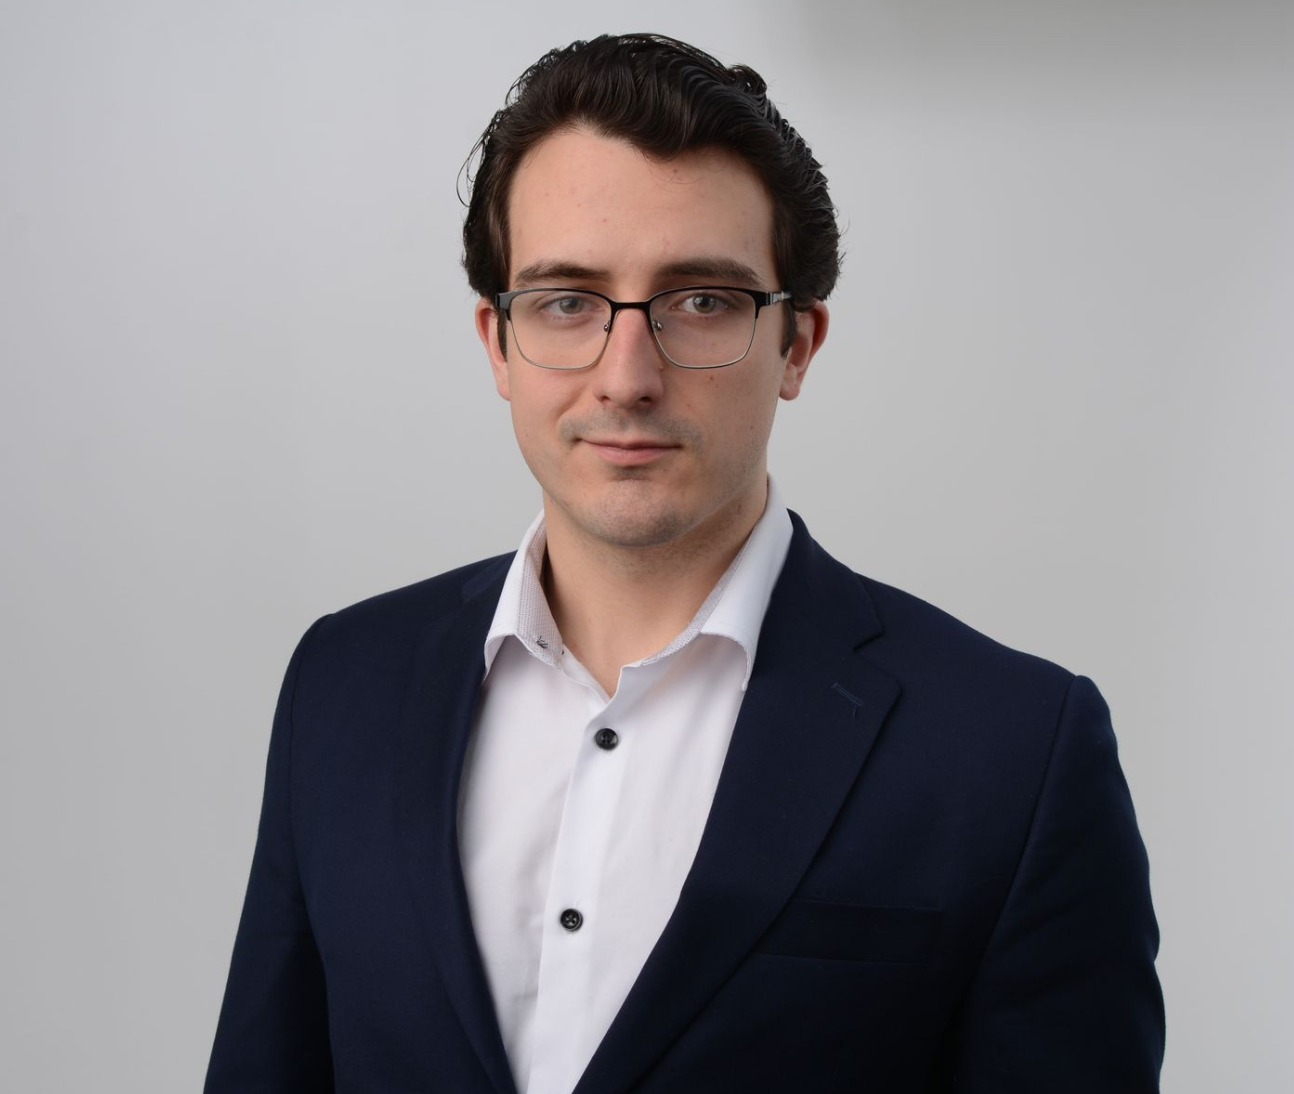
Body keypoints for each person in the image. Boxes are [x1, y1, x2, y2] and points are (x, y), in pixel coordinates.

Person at [205, 32, 1164, 1094]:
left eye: (700, 300)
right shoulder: (345, 680)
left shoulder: (1013, 751)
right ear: (497, 340)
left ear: (796, 343)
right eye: (566, 300)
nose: (628, 374)